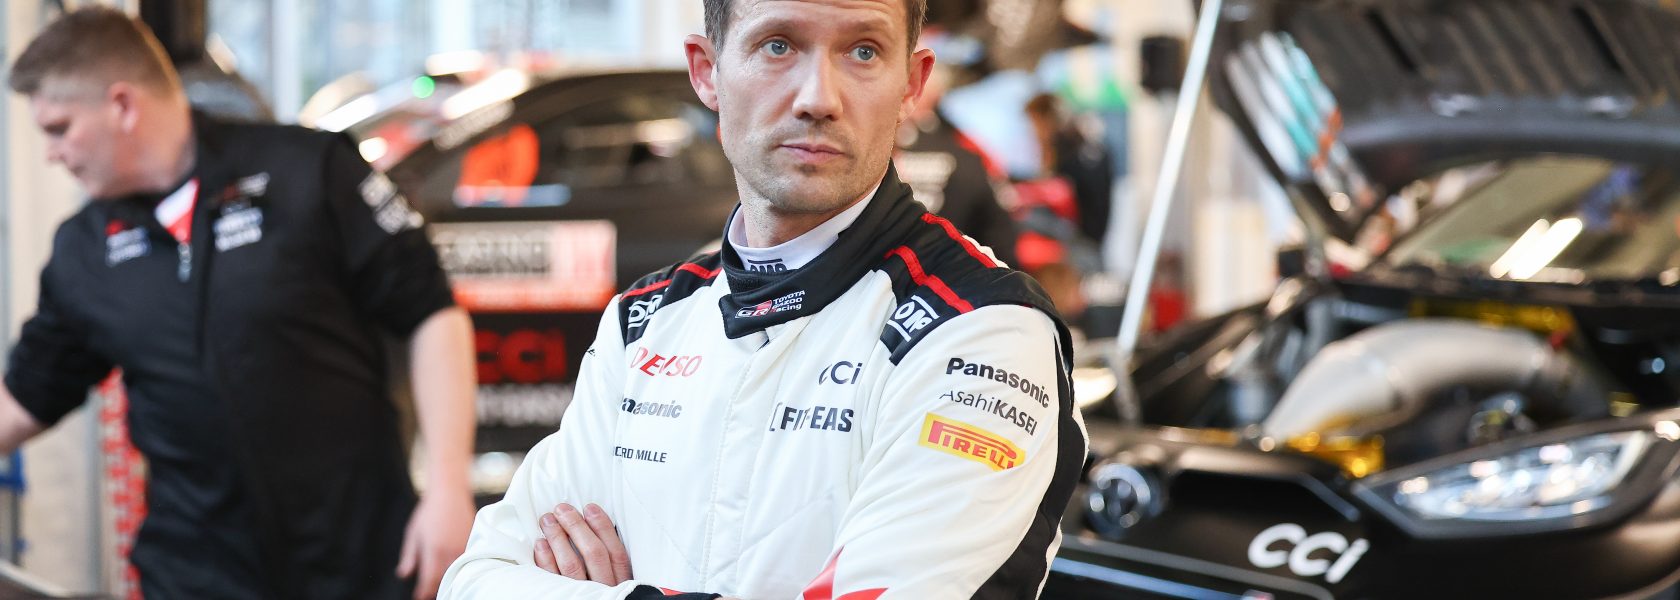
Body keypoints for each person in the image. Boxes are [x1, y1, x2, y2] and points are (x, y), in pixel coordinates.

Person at [441, 0, 1085, 598]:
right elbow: (472, 582)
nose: (818, 98)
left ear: (911, 85)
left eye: (863, 51)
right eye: (778, 45)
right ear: (706, 71)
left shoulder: (982, 328)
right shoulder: (643, 321)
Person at [0, 8, 476, 599]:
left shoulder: (307, 171)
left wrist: (448, 489)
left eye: (59, 128)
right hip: (196, 574)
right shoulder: (84, 251)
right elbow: (26, 396)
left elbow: (431, 314)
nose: (51, 153)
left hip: (358, 558)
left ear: (121, 105)